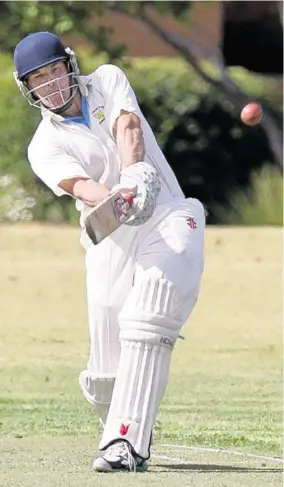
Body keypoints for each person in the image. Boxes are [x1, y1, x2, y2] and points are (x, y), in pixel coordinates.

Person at [13, 31, 205, 473]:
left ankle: (126, 443)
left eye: (54, 72)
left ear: (69, 65)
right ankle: (120, 423)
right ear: (30, 89)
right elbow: (81, 186)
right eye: (38, 80)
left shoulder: (106, 79)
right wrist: (117, 197)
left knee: (148, 316)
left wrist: (136, 173)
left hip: (168, 213)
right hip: (109, 235)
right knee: (106, 373)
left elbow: (128, 125)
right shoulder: (43, 145)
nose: (51, 86)